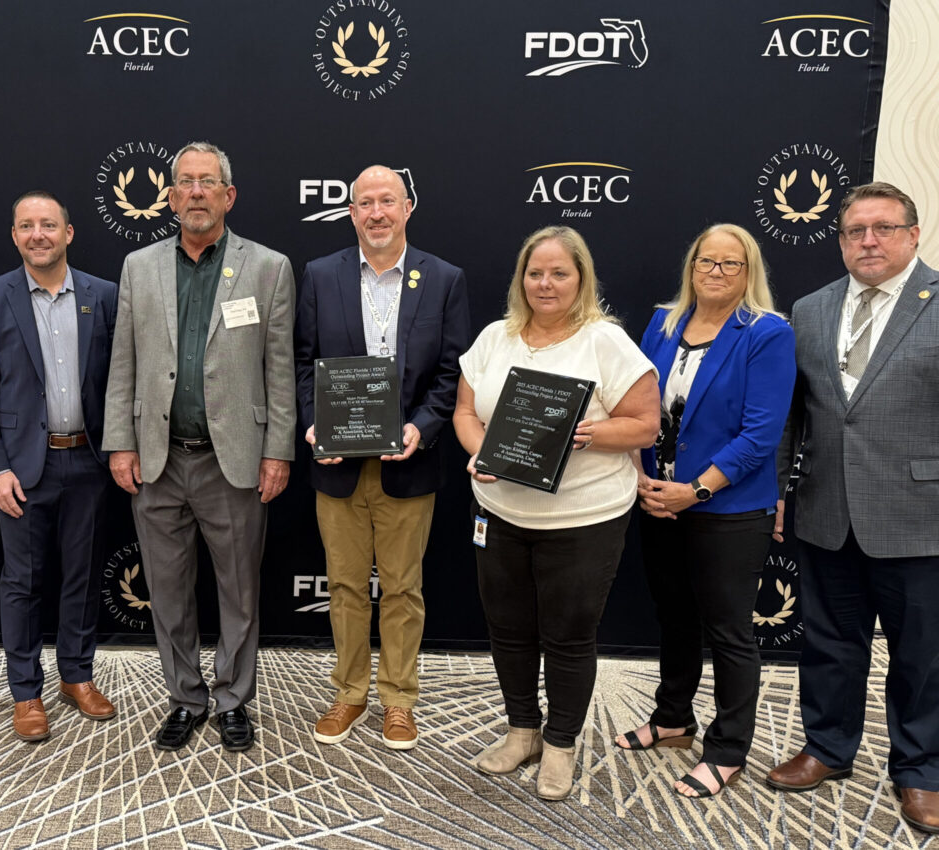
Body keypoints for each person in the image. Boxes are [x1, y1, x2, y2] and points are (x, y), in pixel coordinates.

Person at [453, 226, 659, 800]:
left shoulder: (605, 341)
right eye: (535, 272)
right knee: (509, 629)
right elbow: (466, 410)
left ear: (581, 279)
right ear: (522, 278)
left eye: (559, 273)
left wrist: (588, 433)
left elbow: (645, 423)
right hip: (499, 512)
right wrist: (480, 452)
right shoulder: (497, 337)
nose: (545, 283)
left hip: (583, 520)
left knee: (569, 636)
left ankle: (562, 743)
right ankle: (523, 731)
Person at [102, 141, 295, 752]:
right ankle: (185, 697)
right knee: (168, 591)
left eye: (206, 182)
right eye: (183, 182)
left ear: (228, 195)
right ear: (170, 196)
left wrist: (278, 450)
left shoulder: (268, 268)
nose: (194, 193)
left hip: (232, 460)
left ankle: (234, 700)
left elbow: (280, 369)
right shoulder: (139, 267)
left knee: (239, 591)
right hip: (158, 459)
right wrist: (120, 443)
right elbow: (124, 362)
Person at [767, 182, 939, 835]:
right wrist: (785, 489)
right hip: (825, 509)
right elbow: (794, 415)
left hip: (919, 513)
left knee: (922, 655)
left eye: (883, 228)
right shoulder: (810, 309)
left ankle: (921, 771)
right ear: (839, 240)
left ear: (912, 234)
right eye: (855, 230)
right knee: (831, 645)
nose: (869, 240)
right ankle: (828, 748)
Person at [613, 224, 795, 798]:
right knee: (674, 616)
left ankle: (728, 748)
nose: (715, 273)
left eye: (730, 265)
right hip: (661, 499)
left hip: (728, 507)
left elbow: (761, 434)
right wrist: (643, 477)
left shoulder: (767, 333)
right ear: (691, 266)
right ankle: (672, 721)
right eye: (706, 262)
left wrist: (698, 490)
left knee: (729, 630)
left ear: (749, 273)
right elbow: (639, 406)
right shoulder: (665, 323)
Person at [294, 165, 469, 750]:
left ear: (407, 208)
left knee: (402, 588)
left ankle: (398, 699)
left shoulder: (443, 279)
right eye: (364, 202)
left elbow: (451, 374)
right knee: (343, 586)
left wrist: (423, 427)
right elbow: (301, 361)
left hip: (409, 464)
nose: (376, 212)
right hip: (337, 466)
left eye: (386, 201)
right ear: (350, 213)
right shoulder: (320, 276)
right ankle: (348, 694)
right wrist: (315, 422)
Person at [0, 191, 119, 742]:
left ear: (69, 233)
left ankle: (76, 677)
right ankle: (25, 692)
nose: (38, 235)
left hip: (89, 461)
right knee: (23, 582)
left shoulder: (104, 295)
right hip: (22, 469)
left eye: (48, 225)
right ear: (14, 235)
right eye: (26, 225)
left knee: (81, 577)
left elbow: (119, 383)